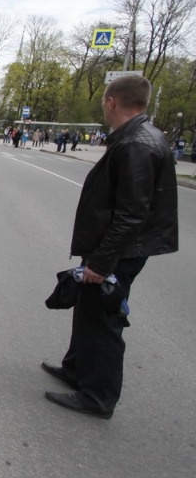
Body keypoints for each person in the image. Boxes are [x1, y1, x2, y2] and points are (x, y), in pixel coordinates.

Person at [42, 75, 178, 419]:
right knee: (88, 309)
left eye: (104, 101)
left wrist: (100, 263)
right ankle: (76, 369)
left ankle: (97, 396)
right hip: (115, 246)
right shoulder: (138, 137)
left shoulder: (137, 145)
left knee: (103, 320)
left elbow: (131, 214)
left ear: (112, 102)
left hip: (119, 251)